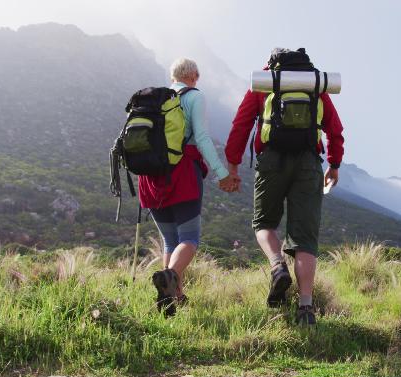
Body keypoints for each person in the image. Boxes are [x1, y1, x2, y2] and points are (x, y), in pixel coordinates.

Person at [223, 47, 344, 325]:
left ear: (271, 64)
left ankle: (277, 266)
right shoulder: (315, 86)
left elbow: (241, 125)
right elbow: (335, 129)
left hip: (271, 160)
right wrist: (334, 164)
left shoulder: (265, 85)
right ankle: (306, 308)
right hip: (308, 163)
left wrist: (232, 164)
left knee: (263, 223)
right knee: (305, 238)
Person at [143, 58, 238, 317]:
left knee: (169, 240)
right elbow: (203, 138)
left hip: (151, 176)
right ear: (195, 75)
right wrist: (222, 173)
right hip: (183, 171)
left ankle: (174, 297)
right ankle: (170, 279)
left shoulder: (157, 99)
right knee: (189, 238)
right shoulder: (195, 97)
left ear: (172, 76)